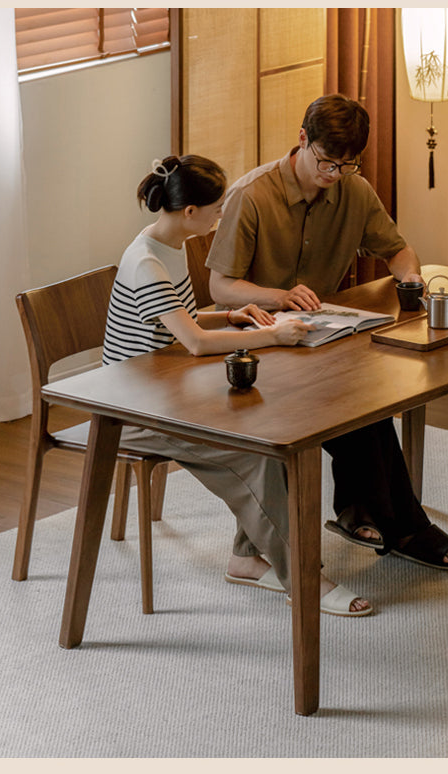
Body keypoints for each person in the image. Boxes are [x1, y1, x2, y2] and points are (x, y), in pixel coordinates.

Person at [205, 93, 448, 572]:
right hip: (261, 344)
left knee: (367, 393)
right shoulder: (253, 196)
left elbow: (398, 250)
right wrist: (278, 295)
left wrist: (409, 277)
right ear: (303, 140)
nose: (334, 176)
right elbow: (220, 286)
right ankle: (401, 524)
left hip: (324, 337)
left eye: (345, 167)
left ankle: (369, 515)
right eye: (327, 163)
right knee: (355, 401)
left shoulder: (355, 190)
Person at [102, 154, 372, 616]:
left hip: (167, 392)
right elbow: (192, 342)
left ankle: (246, 559)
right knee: (255, 453)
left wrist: (231, 315)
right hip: (135, 412)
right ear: (191, 212)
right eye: (218, 207)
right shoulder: (147, 262)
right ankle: (306, 580)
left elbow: (177, 322)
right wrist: (274, 334)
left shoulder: (167, 246)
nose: (222, 214)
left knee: (278, 431)